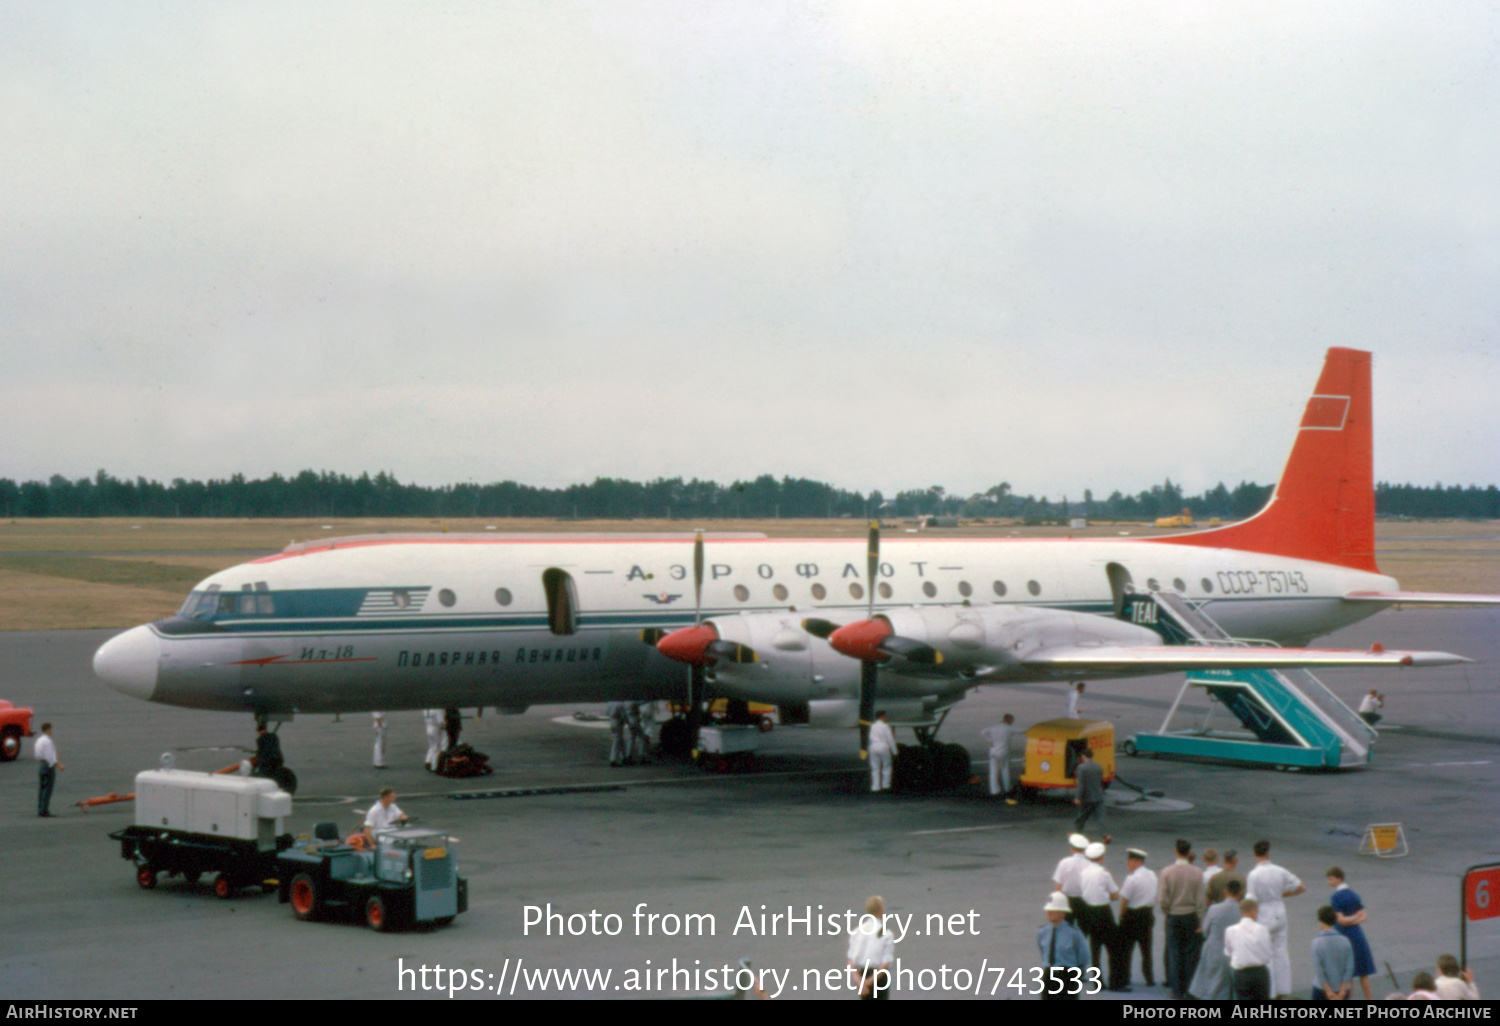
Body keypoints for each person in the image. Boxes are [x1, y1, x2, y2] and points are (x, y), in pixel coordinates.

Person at [1245, 839, 1305, 998]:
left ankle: (1269, 991)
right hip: (1279, 909)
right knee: (1281, 951)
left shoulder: (1254, 874)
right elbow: (1300, 887)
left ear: (1254, 854)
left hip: (1263, 912)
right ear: (1268, 853)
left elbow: (1251, 899)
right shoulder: (1280, 870)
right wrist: (1284, 894)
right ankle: (1284, 989)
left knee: (1266, 952)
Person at [1158, 837, 1207, 1000]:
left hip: (1173, 915)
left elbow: (1163, 899)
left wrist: (1167, 911)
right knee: (1191, 953)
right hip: (1191, 915)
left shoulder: (1166, 872)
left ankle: (1176, 990)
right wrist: (1201, 920)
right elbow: (1201, 900)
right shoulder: (1197, 872)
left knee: (1174, 952)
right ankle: (1190, 988)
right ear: (1189, 853)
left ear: (1175, 851)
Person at [1189, 878, 1244, 1000]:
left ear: (1225, 892)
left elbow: (1205, 930)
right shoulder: (1241, 910)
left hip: (1215, 947)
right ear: (1239, 894)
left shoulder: (1214, 909)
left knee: (1210, 978)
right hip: (1234, 949)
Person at [1078, 842, 1123, 989]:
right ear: (1101, 857)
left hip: (1089, 911)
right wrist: (1105, 896)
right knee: (1114, 947)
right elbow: (1115, 895)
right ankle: (1115, 982)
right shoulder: (1104, 873)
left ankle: (1098, 982)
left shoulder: (1083, 873)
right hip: (1103, 912)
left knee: (1095, 948)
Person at [1326, 866, 1375, 999]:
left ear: (1339, 879)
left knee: (1348, 974)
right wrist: (1355, 919)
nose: (1328, 882)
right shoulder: (1354, 894)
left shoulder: (1335, 896)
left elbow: (1341, 920)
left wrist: (1350, 920)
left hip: (1344, 935)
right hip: (1358, 934)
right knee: (1363, 973)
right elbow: (1363, 916)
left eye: (1331, 879)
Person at [1037, 891, 1091, 1000]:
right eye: (1048, 910)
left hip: (1067, 975)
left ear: (1062, 913)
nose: (1049, 912)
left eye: (1052, 910)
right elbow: (1043, 952)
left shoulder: (1073, 933)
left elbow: (1083, 957)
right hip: (1049, 973)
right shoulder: (1042, 932)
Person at [1118, 847, 1158, 989]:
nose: (1128, 864)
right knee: (1146, 949)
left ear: (1137, 862)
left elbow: (1124, 900)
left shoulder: (1132, 878)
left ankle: (1126, 977)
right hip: (1147, 914)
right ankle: (1149, 977)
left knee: (1127, 949)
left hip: (1133, 916)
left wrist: (1121, 916)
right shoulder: (1152, 875)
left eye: (1130, 861)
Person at [846, 895, 895, 1000]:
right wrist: (867, 983)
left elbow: (850, 962)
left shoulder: (856, 932)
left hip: (862, 974)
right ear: (881, 910)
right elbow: (885, 963)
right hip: (879, 978)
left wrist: (860, 983)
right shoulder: (886, 933)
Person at [1225, 898, 1273, 1000]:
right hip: (1259, 972)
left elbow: (1228, 952)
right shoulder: (1262, 929)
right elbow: (1268, 953)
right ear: (1253, 912)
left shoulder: (1230, 930)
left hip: (1240, 973)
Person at [1053, 833, 1091, 925]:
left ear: (1072, 848)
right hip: (1084, 901)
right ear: (1085, 849)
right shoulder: (1089, 864)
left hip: (1067, 901)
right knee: (1083, 931)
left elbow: (1058, 886)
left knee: (1066, 930)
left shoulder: (1064, 862)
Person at [1072, 747, 1108, 838]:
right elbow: (1100, 781)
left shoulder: (1081, 767)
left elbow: (1081, 784)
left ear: (1083, 756)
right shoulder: (1098, 766)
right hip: (1098, 796)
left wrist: (1077, 797)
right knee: (1101, 818)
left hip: (1087, 797)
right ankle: (1105, 835)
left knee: (1081, 817)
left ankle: (1078, 834)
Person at [981, 714, 1017, 798]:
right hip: (1003, 753)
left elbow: (982, 732)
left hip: (993, 752)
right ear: (1009, 720)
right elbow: (1021, 730)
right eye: (1011, 720)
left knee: (993, 772)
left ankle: (994, 790)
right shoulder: (1008, 728)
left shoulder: (994, 727)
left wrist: (990, 740)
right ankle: (1007, 788)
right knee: (1005, 770)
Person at [35, 722, 62, 817]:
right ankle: (44, 810)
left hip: (41, 765)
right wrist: (59, 765)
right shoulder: (48, 741)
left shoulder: (39, 740)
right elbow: (50, 757)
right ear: (48, 729)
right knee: (47, 789)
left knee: (42, 788)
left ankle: (40, 808)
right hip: (48, 766)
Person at [868, 711, 895, 793]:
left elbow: (870, 736)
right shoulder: (885, 726)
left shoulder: (873, 726)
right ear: (882, 716)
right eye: (885, 716)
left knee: (875, 768)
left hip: (873, 747)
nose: (886, 717)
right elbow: (890, 739)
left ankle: (875, 786)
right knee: (886, 766)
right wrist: (894, 751)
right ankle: (885, 785)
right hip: (883, 746)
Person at [608, 701, 629, 767]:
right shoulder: (620, 704)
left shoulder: (610, 703)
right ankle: (613, 759)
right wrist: (627, 722)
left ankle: (623, 756)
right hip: (618, 722)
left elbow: (607, 713)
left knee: (620, 740)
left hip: (612, 721)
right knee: (617, 741)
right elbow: (623, 715)